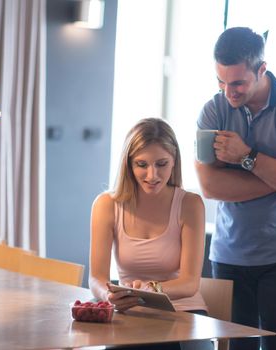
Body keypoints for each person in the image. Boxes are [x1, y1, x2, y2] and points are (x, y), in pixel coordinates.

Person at [195, 27, 276, 350]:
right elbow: (210, 186)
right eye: (221, 82)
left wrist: (247, 157)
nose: (229, 92)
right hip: (229, 257)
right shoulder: (213, 111)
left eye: (238, 82)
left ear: (262, 69)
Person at [89, 117, 211, 350]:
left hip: (184, 312)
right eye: (142, 165)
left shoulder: (190, 204)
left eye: (162, 164)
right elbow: (96, 278)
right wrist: (108, 296)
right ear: (128, 164)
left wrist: (152, 289)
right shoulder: (106, 205)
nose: (152, 175)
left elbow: (189, 284)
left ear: (174, 161)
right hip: (131, 313)